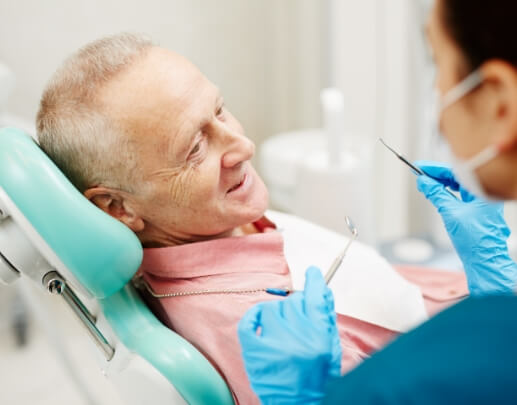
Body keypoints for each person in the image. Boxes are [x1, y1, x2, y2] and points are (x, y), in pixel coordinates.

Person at [37, 34, 468, 404]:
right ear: (118, 208)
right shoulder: (252, 332)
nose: (242, 145)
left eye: (220, 110)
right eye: (194, 149)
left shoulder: (214, 222)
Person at [238, 0, 517, 403]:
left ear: (500, 104)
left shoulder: (415, 380)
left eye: (436, 63)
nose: (438, 96)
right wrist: (498, 297)